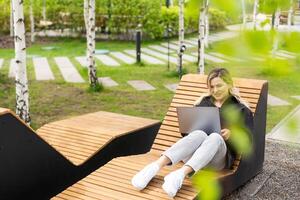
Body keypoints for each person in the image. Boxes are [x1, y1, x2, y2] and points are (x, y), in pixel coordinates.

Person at [131, 68, 254, 197]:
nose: (215, 90)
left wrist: (232, 134)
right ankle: (153, 168)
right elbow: (186, 134)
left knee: (216, 137)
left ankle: (179, 175)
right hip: (193, 156)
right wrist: (192, 127)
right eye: (211, 87)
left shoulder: (241, 109)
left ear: (229, 84)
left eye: (219, 86)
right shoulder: (204, 102)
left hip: (217, 161)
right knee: (199, 134)